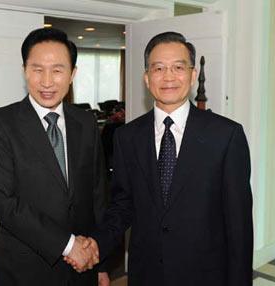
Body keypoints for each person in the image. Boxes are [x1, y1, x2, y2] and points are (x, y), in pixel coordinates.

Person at [65, 31, 254, 286]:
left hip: (207, 275)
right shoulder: (127, 137)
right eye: (158, 68)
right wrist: (97, 243)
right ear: (146, 77)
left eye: (178, 67)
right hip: (147, 274)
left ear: (192, 74)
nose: (168, 77)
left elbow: (239, 226)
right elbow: (123, 206)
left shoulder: (226, 136)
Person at [0, 27, 110, 286]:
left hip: (82, 269)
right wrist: (67, 244)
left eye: (58, 70)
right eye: (37, 69)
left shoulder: (85, 122)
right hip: (25, 270)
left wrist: (101, 261)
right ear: (25, 70)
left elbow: (98, 195)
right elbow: (3, 201)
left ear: (72, 74)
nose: (47, 81)